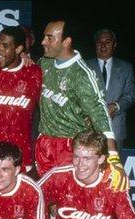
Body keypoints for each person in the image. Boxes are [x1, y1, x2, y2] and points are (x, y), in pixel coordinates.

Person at [36, 19, 126, 192]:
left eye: (49, 38)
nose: (43, 42)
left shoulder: (82, 75)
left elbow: (99, 113)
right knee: (48, 196)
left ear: (66, 41)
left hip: (69, 147)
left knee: (69, 195)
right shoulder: (44, 63)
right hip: (44, 142)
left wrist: (113, 155)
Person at [0, 26, 42, 174]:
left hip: (19, 154)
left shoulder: (34, 73)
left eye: (5, 46)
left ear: (18, 49)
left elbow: (47, 109)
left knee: (17, 197)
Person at [85, 29, 134, 154]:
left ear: (114, 45)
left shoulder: (126, 68)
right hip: (89, 129)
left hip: (116, 129)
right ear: (95, 44)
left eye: (107, 42)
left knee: (114, 170)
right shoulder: (84, 67)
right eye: (99, 42)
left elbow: (131, 95)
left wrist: (116, 106)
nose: (103, 45)